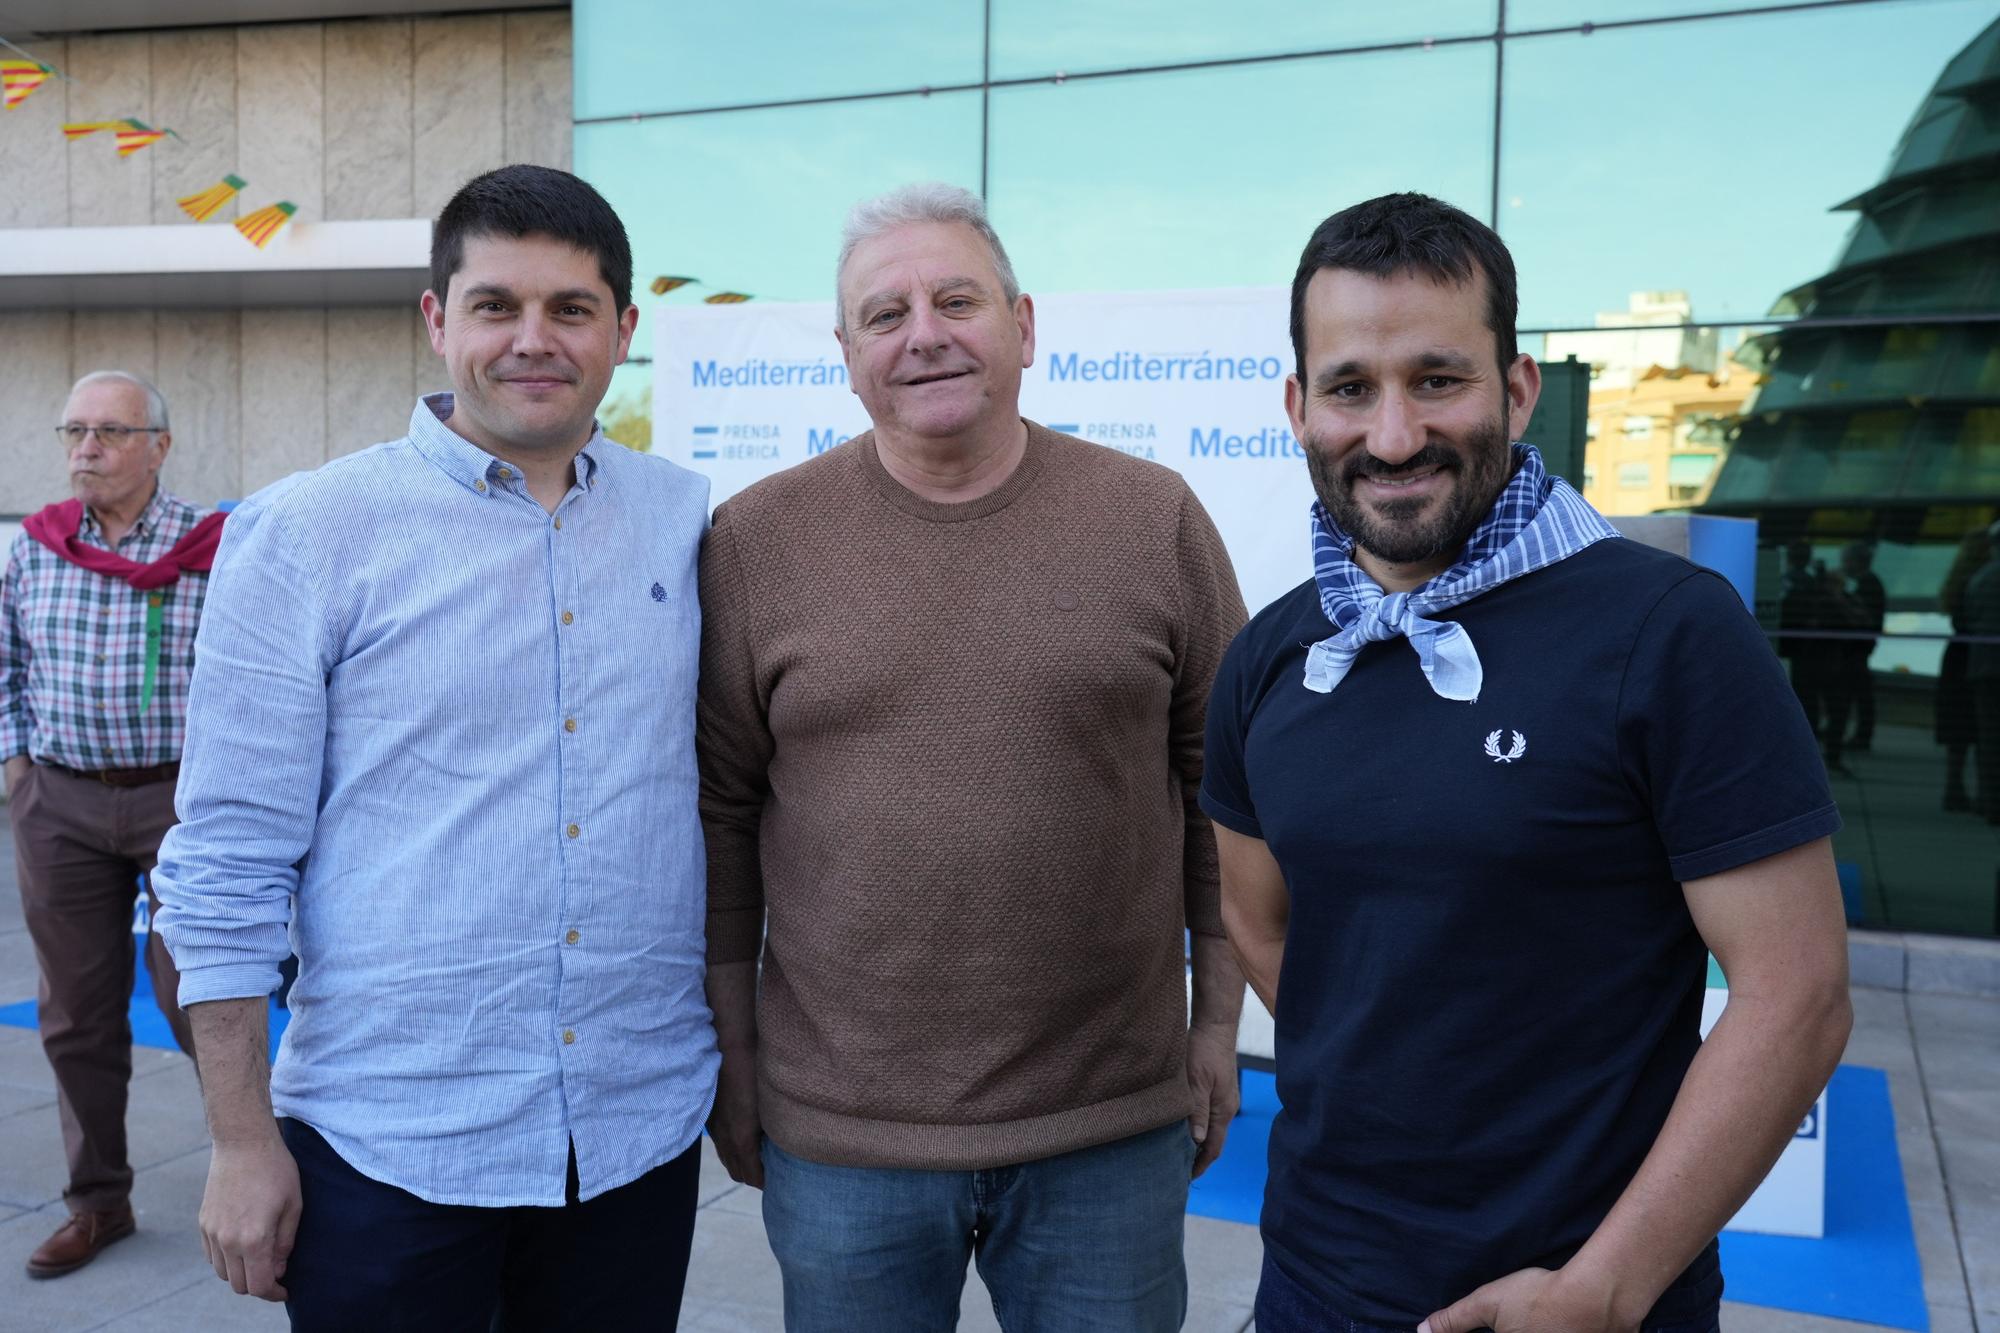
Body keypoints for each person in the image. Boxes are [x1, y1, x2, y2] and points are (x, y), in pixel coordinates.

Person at [1203, 192, 1853, 1333]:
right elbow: (1264, 929)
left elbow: (1795, 996)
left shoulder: (1667, 632)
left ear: (1515, 389)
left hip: (1583, 1300)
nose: (1393, 435)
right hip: (1310, 1279)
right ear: (1299, 407)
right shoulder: (1270, 654)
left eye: (1436, 379)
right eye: (1351, 387)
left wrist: (1598, 1289)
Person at [151, 164, 716, 1328]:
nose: (532, 340)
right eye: (495, 305)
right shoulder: (308, 532)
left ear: (623, 329)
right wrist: (240, 1142)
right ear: (435, 319)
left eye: (569, 308)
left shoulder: (686, 518)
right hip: (388, 1146)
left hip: (630, 1134)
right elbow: (223, 863)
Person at [698, 181, 1247, 1331]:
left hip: (1107, 1128)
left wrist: (1213, 1025)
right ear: (845, 354)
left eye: (957, 299)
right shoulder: (754, 543)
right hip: (845, 1142)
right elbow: (720, 818)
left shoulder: (1155, 520)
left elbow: (1227, 798)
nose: (924, 334)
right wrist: (734, 1051)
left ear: (1024, 325)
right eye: (884, 314)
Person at [2, 371, 223, 1279]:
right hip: (61, 801)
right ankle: (99, 1202)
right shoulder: (33, 548)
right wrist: (15, 763)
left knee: (205, 993)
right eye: (74, 430)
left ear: (157, 447)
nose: (84, 448)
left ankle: (260, 1175)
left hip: (183, 802)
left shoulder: (215, 545)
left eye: (108, 431)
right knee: (76, 1014)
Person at [1841, 542, 1885, 752]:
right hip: (1861, 646)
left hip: (1858, 647)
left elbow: (1863, 617)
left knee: (1858, 692)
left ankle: (1862, 735)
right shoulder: (1869, 583)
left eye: (1846, 561)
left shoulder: (1868, 584)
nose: (1843, 566)